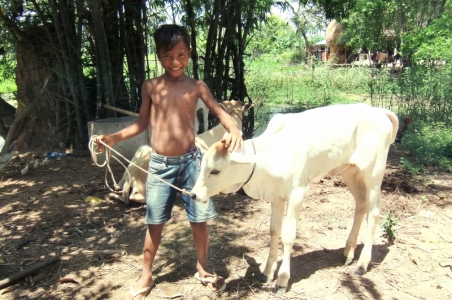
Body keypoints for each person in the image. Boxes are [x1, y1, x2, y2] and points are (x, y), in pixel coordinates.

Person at [95, 24, 243, 299]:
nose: (175, 62)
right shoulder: (151, 86)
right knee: (155, 222)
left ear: (189, 54)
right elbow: (141, 124)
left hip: (191, 165)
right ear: (159, 56)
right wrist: (113, 138)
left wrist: (233, 129)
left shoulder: (196, 86)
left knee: (199, 220)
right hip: (160, 166)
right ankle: (146, 273)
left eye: (181, 55)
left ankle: (203, 268)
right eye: (167, 56)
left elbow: (219, 111)